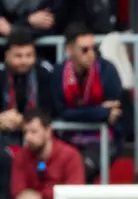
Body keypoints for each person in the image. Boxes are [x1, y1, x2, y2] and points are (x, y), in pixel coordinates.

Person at [52, 23, 124, 180]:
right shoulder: (58, 72)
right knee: (51, 167)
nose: (91, 54)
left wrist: (78, 112)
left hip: (103, 138)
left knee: (81, 169)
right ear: (69, 50)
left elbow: (114, 113)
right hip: (67, 137)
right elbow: (61, 112)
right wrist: (99, 112)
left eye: (93, 48)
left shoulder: (107, 70)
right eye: (84, 50)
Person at [0, 28, 56, 147]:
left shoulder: (45, 72)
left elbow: (51, 108)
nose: (24, 61)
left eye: (29, 55)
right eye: (18, 56)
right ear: (7, 56)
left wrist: (23, 119)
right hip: (3, 137)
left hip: (39, 137)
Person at [10, 110, 86, 199]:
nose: (28, 137)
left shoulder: (70, 155)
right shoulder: (21, 156)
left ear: (48, 131)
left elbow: (75, 191)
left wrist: (40, 196)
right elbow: (17, 192)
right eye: (25, 132)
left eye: (33, 132)